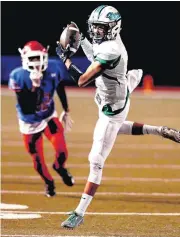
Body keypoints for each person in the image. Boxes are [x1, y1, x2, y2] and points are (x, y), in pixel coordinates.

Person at [56, 6, 180, 228]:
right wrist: (82, 39)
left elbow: (82, 80)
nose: (96, 32)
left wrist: (66, 59)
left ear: (112, 28)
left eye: (100, 28)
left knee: (95, 159)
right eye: (93, 27)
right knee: (116, 128)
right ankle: (159, 130)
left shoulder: (112, 49)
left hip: (111, 106)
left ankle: (79, 212)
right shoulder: (107, 43)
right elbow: (94, 52)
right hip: (114, 96)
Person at [8, 40, 75, 197]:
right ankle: (49, 183)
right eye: (32, 59)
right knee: (37, 161)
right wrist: (35, 86)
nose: (37, 62)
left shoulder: (54, 67)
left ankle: (59, 167)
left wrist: (66, 109)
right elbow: (29, 108)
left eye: (39, 58)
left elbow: (59, 85)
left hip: (48, 116)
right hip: (29, 123)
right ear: (25, 60)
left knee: (62, 151)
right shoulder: (17, 76)